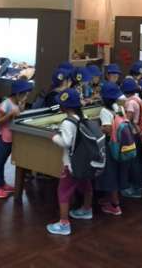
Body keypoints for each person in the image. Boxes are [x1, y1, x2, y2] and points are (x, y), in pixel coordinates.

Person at [47, 88, 93, 236]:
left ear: (64, 107)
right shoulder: (83, 117)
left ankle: (64, 224)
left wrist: (54, 136)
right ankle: (86, 209)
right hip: (84, 162)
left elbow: (66, 142)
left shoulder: (67, 122)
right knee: (86, 185)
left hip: (71, 164)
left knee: (63, 192)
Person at [0, 80, 33, 199]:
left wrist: (21, 107)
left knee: (2, 162)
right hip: (4, 138)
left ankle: (1, 184)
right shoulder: (6, 104)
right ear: (18, 93)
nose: (26, 96)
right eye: (25, 94)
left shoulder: (17, 103)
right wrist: (10, 114)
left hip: (11, 137)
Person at [96, 82, 125, 215]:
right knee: (116, 172)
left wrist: (97, 128)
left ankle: (115, 205)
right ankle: (110, 199)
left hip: (110, 145)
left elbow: (107, 129)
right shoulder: (118, 107)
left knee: (110, 173)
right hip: (119, 144)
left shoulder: (104, 111)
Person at [121, 76, 142, 198]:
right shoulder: (138, 99)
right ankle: (139, 185)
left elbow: (127, 120)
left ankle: (136, 188)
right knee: (137, 160)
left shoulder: (130, 102)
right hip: (139, 131)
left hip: (133, 134)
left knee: (133, 162)